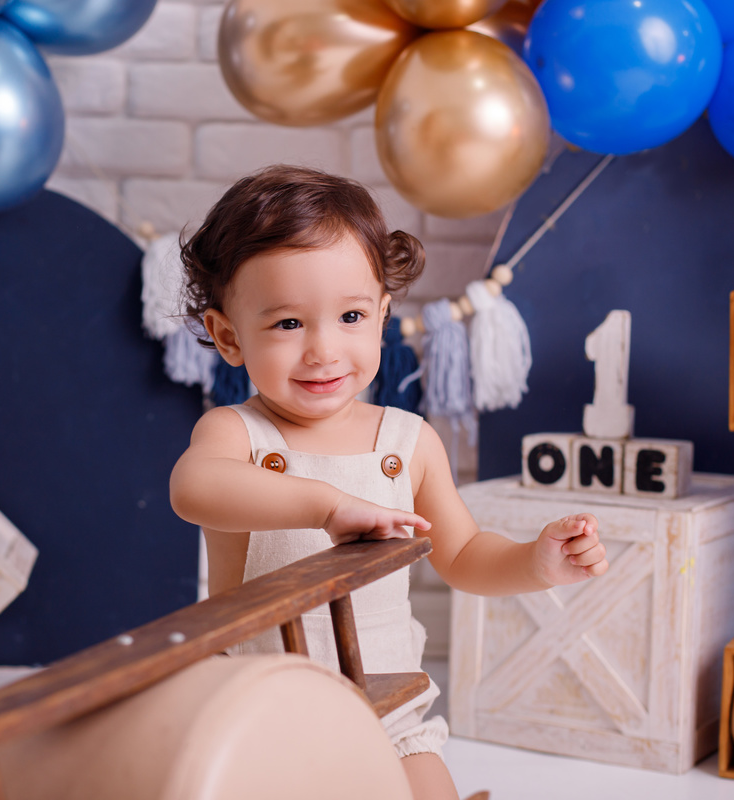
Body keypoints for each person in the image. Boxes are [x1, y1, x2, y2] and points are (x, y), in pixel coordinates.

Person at [169, 165, 608, 800]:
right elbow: (194, 487)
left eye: (350, 315)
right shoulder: (236, 436)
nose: (323, 349)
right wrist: (326, 506)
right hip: (260, 706)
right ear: (228, 336)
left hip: (384, 702)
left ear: (382, 317)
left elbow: (463, 554)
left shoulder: (407, 442)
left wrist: (534, 563)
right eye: (288, 324)